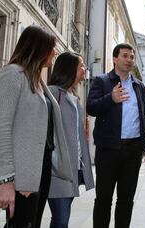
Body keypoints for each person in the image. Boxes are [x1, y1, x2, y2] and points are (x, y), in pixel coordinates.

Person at [0, 25, 73, 227]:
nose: (55, 52)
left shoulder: (37, 80)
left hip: (40, 171)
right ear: (37, 48)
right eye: (51, 47)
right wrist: (5, 182)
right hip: (21, 176)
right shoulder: (12, 75)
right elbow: (1, 130)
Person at [86, 43, 145, 228]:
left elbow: (142, 115)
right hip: (108, 150)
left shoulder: (139, 86)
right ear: (115, 59)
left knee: (126, 200)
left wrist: (143, 144)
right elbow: (91, 107)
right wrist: (110, 99)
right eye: (125, 55)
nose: (129, 60)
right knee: (104, 199)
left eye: (131, 56)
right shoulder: (102, 81)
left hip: (133, 151)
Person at [47, 52, 95, 227]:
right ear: (69, 69)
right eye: (81, 65)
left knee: (61, 219)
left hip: (72, 169)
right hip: (57, 170)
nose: (85, 69)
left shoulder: (74, 98)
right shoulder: (52, 94)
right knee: (60, 219)